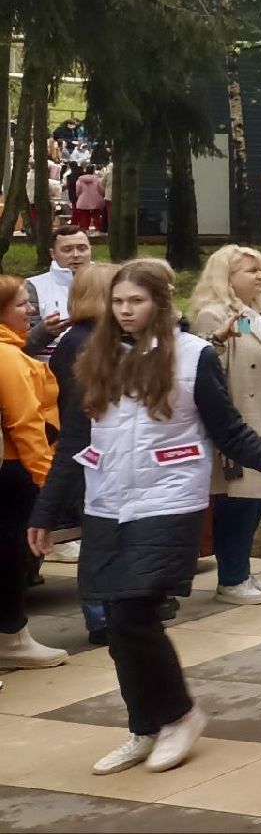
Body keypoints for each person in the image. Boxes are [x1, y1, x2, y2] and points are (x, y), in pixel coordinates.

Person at [28, 259, 261, 775]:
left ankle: (180, 715)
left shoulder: (193, 356)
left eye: (135, 301)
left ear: (159, 303)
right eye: (118, 302)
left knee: (136, 612)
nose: (125, 311)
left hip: (169, 500)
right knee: (117, 621)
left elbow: (231, 432)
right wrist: (46, 512)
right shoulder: (96, 358)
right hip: (107, 502)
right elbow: (74, 440)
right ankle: (144, 726)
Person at [188, 245, 261, 607]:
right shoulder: (212, 315)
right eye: (251, 270)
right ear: (227, 276)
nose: (260, 275)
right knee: (237, 500)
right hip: (242, 418)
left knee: (258, 496)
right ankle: (232, 576)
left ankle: (242, 567)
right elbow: (207, 365)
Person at [35, 262, 120, 642]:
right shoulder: (81, 342)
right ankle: (100, 616)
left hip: (101, 449)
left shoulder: (94, 338)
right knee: (98, 537)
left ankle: (111, 609)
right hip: (89, 451)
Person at [0, 273, 62, 668]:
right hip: (13, 470)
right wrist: (45, 481)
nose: (32, 310)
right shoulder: (8, 357)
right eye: (22, 304)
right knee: (11, 556)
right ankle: (12, 638)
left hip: (12, 467)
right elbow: (26, 424)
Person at [26, 223, 94, 360]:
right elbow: (19, 344)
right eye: (67, 249)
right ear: (53, 254)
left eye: (82, 248)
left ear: (90, 250)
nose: (76, 255)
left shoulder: (111, 282)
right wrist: (45, 332)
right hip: (47, 370)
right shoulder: (31, 287)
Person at [72, 166, 108, 234]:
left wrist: (80, 196)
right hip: (95, 201)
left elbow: (78, 191)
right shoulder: (98, 180)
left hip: (83, 201)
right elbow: (101, 191)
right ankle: (99, 230)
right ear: (93, 171)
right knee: (97, 217)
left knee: (84, 217)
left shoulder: (79, 180)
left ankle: (84, 231)